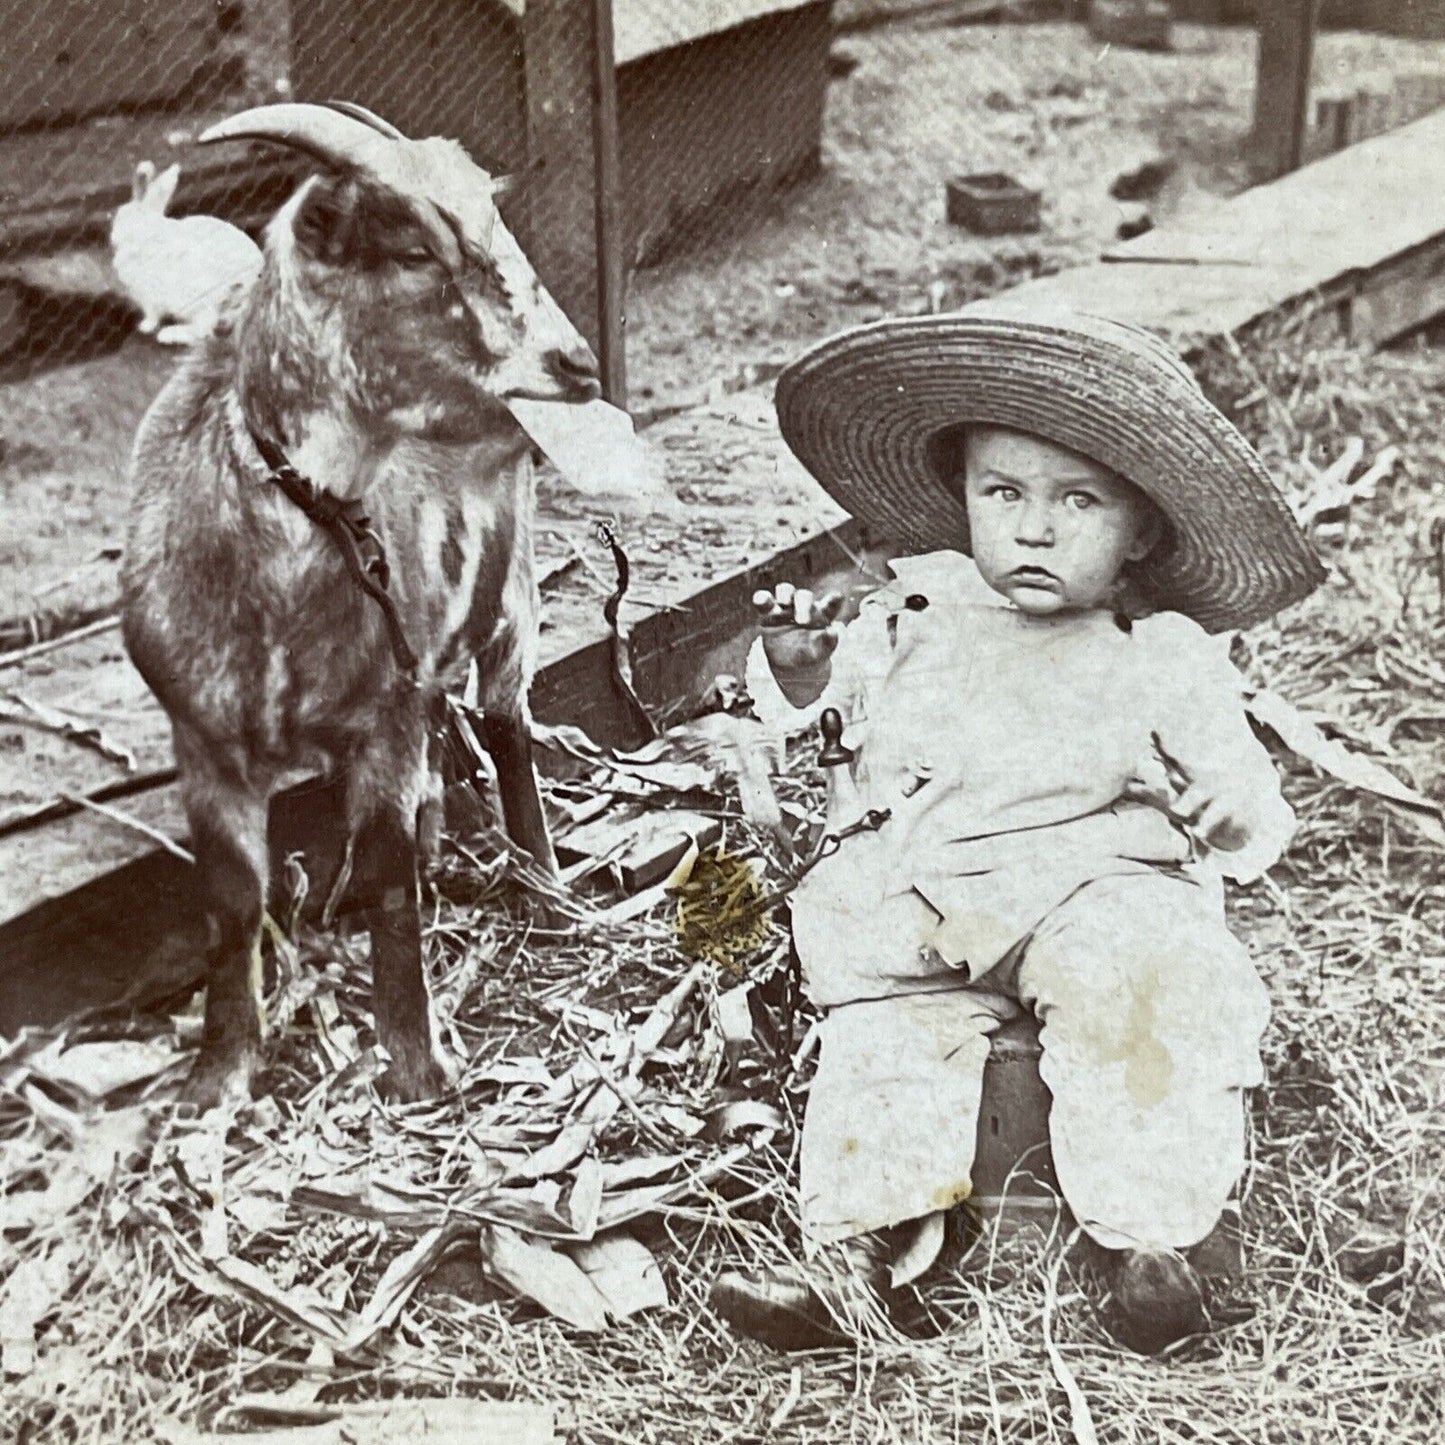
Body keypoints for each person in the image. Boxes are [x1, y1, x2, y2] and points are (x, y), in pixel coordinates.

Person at [708, 301, 1324, 1354]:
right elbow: (818, 725)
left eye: (1075, 500)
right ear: (961, 497)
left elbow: (1244, 797)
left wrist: (1228, 807)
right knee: (880, 1031)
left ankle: (1153, 1244)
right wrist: (801, 667)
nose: (1031, 527)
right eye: (1002, 493)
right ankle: (856, 1259)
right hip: (930, 892)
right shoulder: (915, 616)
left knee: (1150, 987)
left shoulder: (1155, 648)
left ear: (1141, 529)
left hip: (1094, 883)